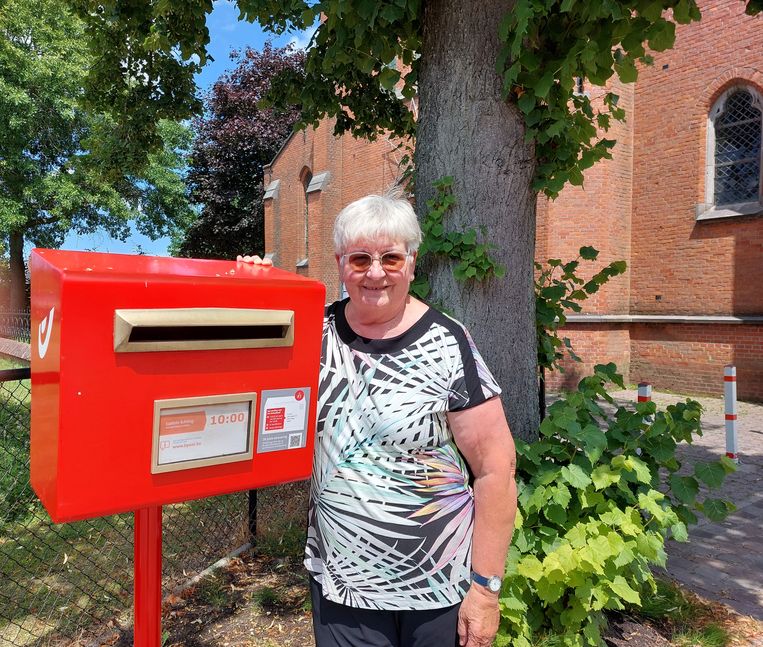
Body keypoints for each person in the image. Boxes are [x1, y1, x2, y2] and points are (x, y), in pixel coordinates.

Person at [238, 193, 517, 647]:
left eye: (390, 257)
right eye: (360, 258)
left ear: (411, 262)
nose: (374, 272)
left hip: (437, 587)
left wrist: (485, 590)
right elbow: (235, 365)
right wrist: (245, 285)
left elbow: (495, 469)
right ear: (339, 261)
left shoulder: (448, 343)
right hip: (342, 582)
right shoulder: (312, 333)